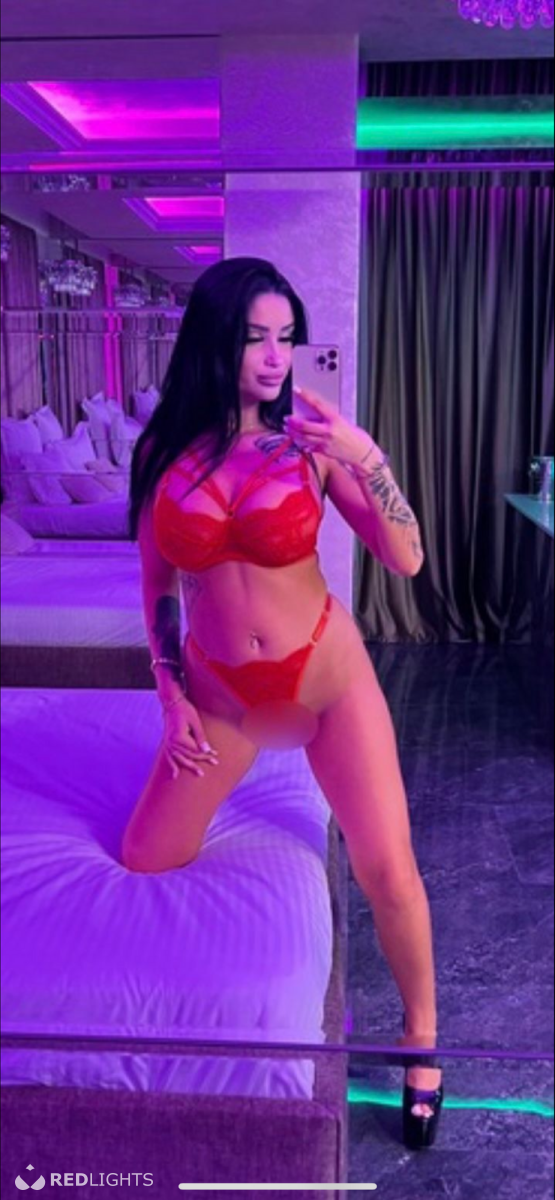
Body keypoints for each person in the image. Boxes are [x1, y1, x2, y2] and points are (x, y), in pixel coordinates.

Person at [122, 256, 443, 1150]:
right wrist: (169, 695)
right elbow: (156, 587)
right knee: (146, 856)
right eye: (255, 337)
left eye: (286, 338)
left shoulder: (309, 444)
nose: (274, 357)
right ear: (214, 341)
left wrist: (365, 458)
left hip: (324, 681)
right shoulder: (160, 453)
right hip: (220, 696)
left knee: (387, 868)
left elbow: (406, 558)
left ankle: (421, 1039)